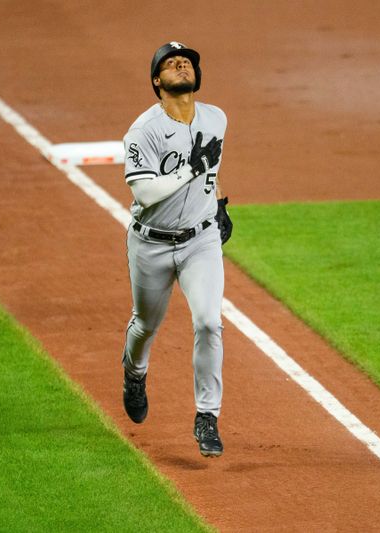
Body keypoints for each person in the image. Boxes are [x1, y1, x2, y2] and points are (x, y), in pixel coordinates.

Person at [120, 41, 233, 458]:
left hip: (200, 241)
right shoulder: (143, 132)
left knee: (208, 322)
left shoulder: (216, 119)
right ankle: (134, 372)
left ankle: (207, 415)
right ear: (157, 81)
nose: (181, 64)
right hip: (150, 243)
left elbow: (213, 169)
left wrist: (218, 202)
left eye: (186, 61)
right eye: (170, 63)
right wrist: (193, 168)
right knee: (146, 325)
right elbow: (146, 191)